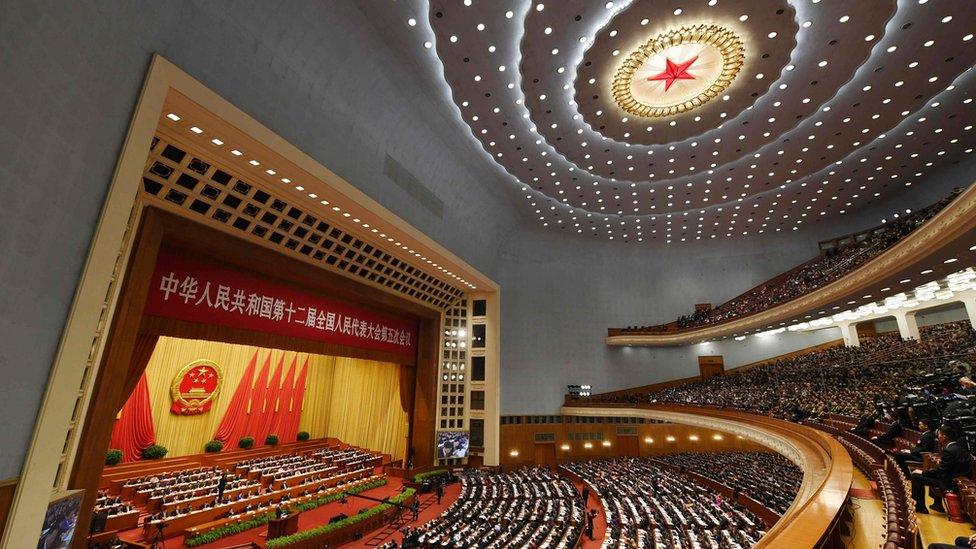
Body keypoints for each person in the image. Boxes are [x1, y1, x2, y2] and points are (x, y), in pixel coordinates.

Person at [911, 424, 973, 514]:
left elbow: (941, 471)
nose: (938, 437)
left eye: (939, 435)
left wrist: (924, 472)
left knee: (916, 477)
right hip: (957, 479)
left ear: (944, 437)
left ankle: (920, 507)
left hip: (951, 483)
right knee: (932, 475)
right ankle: (937, 504)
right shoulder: (960, 448)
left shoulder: (949, 451)